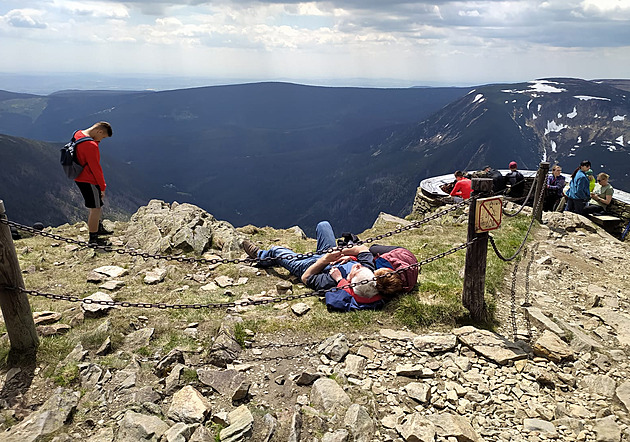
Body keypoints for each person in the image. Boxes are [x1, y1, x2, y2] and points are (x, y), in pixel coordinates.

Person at [241, 221, 381, 309]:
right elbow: (362, 249)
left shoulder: (332, 281)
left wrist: (325, 260)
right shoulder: (368, 270)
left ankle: (260, 256)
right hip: (332, 254)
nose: (357, 266)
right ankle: (275, 258)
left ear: (350, 282)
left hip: (312, 265)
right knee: (323, 225)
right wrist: (343, 252)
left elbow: (306, 277)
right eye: (359, 267)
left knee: (277, 250)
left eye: (355, 271)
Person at [72, 121, 113, 246]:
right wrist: (102, 186)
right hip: (88, 179)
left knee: (96, 205)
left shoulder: (78, 134)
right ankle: (93, 239)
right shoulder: (91, 145)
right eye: (103, 137)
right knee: (95, 208)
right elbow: (96, 168)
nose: (101, 140)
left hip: (78, 176)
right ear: (99, 131)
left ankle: (97, 227)